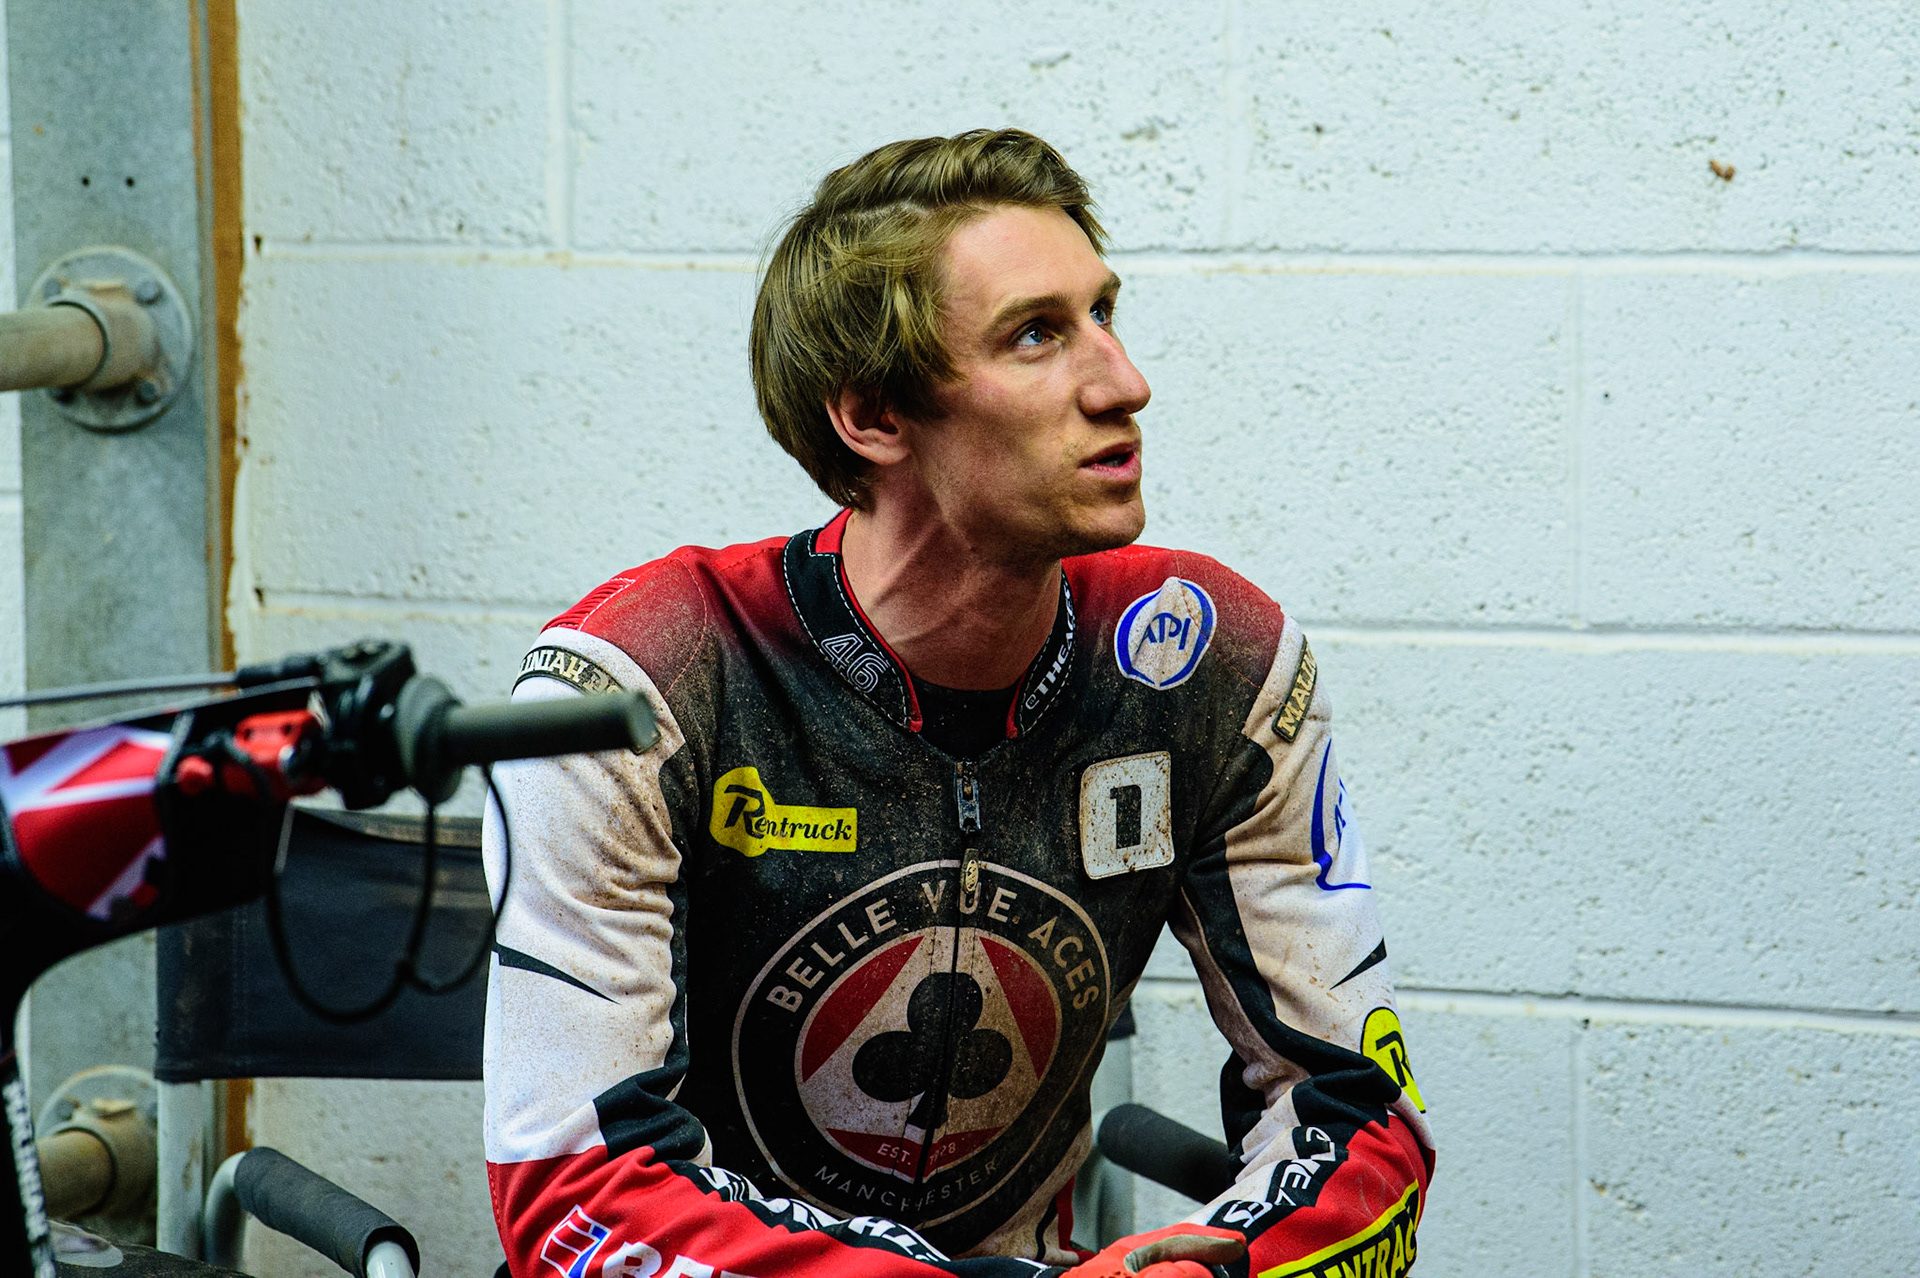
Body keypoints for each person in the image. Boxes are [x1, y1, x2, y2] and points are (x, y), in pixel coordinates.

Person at [483, 129, 1434, 1278]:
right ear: (874, 417)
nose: (1124, 382)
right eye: (1037, 335)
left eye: (1104, 314)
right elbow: (573, 1201)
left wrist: (1211, 1264)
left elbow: (1361, 1114)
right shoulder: (643, 683)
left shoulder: (1205, 663)